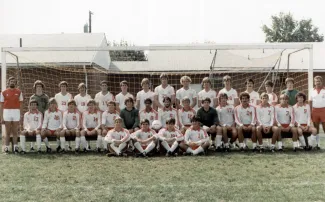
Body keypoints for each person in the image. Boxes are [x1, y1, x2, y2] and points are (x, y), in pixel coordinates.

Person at [0, 77, 24, 153]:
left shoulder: (19, 92)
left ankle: (15, 147)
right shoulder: (3, 92)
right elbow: (1, 106)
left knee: (15, 132)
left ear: (15, 83)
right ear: (8, 82)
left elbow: (21, 104)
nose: (12, 82)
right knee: (7, 132)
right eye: (11, 81)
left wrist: (21, 115)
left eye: (13, 81)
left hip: (16, 112)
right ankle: (6, 147)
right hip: (7, 112)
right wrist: (1, 117)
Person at [29, 80, 49, 151]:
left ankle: (47, 146)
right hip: (35, 115)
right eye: (37, 86)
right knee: (33, 127)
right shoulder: (32, 97)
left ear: (42, 87)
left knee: (42, 130)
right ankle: (32, 146)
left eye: (40, 86)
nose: (39, 88)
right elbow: (30, 107)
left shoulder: (46, 96)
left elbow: (47, 107)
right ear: (35, 88)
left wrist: (45, 114)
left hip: (43, 116)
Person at [308, 75, 325, 149]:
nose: (317, 82)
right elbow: (310, 101)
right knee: (316, 128)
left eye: (319, 81)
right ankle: (318, 144)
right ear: (314, 82)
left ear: (322, 82)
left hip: (323, 110)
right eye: (316, 81)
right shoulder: (312, 90)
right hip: (314, 111)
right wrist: (310, 111)